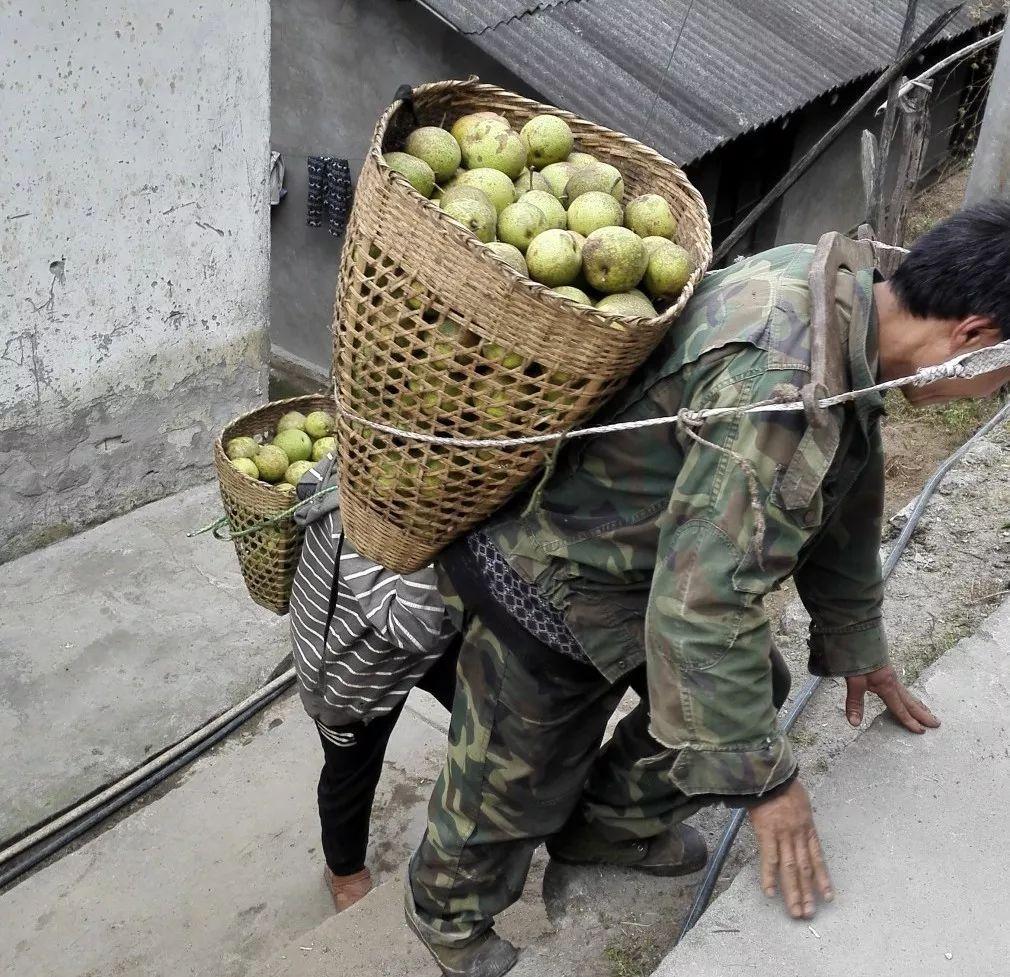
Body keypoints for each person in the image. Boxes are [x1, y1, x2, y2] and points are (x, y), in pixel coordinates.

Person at [404, 201, 1010, 977]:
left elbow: (847, 485)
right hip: (555, 573)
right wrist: (770, 788)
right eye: (999, 381)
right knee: (512, 783)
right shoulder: (787, 387)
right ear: (973, 339)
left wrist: (859, 640)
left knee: (753, 689)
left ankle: (606, 828)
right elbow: (701, 611)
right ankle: (448, 919)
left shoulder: (841, 297)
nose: (987, 396)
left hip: (644, 561)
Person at [288, 453, 460, 913]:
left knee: (489, 708)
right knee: (350, 775)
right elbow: (414, 626)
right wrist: (436, 532)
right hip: (350, 674)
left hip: (432, 641)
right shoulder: (360, 520)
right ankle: (343, 869)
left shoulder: (404, 470)